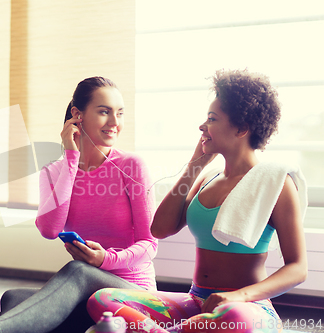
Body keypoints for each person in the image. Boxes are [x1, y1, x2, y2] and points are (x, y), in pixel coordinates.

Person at [0, 76, 158, 333]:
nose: (115, 122)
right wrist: (71, 161)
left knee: (77, 271)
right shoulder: (54, 171)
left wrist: (105, 259)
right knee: (13, 299)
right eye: (104, 112)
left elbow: (150, 244)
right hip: (90, 294)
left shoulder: (132, 166)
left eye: (120, 113)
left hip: (133, 294)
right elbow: (49, 230)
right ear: (77, 116)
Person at [86, 69, 308, 333]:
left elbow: (298, 268)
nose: (202, 127)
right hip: (196, 302)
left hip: (248, 309)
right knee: (104, 299)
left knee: (233, 315)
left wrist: (239, 296)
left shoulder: (276, 182)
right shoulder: (207, 178)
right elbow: (160, 229)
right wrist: (195, 164)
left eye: (212, 119)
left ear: (241, 128)